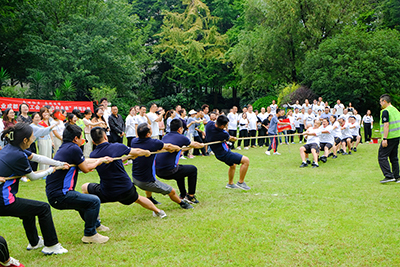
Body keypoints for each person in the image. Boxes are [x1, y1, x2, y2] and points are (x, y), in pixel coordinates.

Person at [0, 123, 68, 255]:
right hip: (4, 201)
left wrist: (59, 163)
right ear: (25, 140)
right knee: (43, 208)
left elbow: (37, 157)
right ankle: (52, 245)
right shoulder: (18, 155)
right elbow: (33, 176)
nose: (34, 139)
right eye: (32, 137)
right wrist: (50, 171)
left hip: (3, 199)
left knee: (29, 210)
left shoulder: (11, 148)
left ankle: (35, 242)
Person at [46, 124, 112, 244]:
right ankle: (90, 234)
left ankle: (96, 225)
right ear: (76, 138)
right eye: (81, 137)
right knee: (94, 201)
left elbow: (83, 163)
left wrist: (99, 160)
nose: (82, 139)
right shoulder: (74, 148)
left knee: (84, 203)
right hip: (60, 195)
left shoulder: (65, 147)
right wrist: (100, 161)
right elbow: (86, 168)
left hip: (55, 194)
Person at [81, 127, 167, 219]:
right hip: (126, 190)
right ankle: (159, 212)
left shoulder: (93, 155)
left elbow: (112, 161)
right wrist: (146, 152)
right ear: (106, 137)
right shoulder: (117, 147)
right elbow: (137, 151)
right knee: (138, 198)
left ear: (93, 142)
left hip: (108, 192)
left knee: (84, 187)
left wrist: (126, 158)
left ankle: (95, 216)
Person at [130, 123, 193, 209]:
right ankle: (182, 203)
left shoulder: (134, 141)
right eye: (150, 128)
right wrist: (177, 148)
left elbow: (158, 147)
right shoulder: (153, 142)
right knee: (171, 191)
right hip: (146, 181)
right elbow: (169, 146)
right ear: (148, 134)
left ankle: (150, 198)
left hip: (135, 178)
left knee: (148, 183)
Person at [156, 119, 204, 203]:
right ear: (180, 129)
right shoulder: (181, 137)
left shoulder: (165, 136)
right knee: (193, 169)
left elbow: (183, 148)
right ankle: (190, 196)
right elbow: (195, 144)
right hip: (169, 171)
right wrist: (201, 145)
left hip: (158, 171)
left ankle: (182, 195)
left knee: (180, 170)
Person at [205, 115, 250, 190]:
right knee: (246, 161)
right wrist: (234, 138)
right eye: (226, 125)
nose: (227, 126)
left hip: (218, 153)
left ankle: (230, 184)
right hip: (224, 154)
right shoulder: (223, 134)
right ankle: (241, 182)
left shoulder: (209, 124)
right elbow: (230, 138)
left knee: (233, 165)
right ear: (222, 126)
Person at [378, 94, 400, 183]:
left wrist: (384, 138)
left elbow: (386, 125)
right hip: (397, 136)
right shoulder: (396, 110)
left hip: (389, 137)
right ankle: (397, 176)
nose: (380, 104)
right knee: (393, 157)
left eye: (380, 102)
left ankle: (388, 175)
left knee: (382, 156)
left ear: (384, 101)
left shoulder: (385, 111)